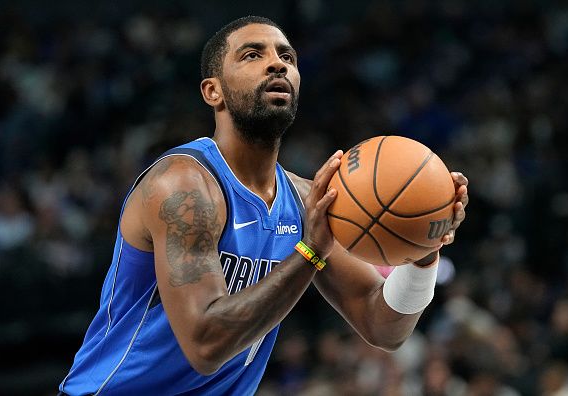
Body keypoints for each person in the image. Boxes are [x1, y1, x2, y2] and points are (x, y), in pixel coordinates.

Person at [59, 15, 469, 395]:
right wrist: (310, 252)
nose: (277, 65)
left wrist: (421, 250)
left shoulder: (308, 200)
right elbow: (205, 343)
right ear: (212, 90)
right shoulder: (183, 186)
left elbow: (383, 327)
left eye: (286, 56)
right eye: (253, 54)